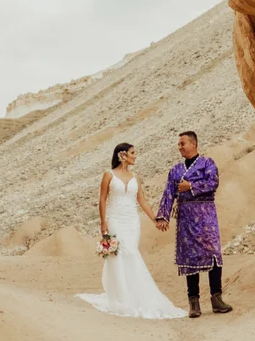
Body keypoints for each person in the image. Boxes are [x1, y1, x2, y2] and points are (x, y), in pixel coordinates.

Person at [76, 143, 187, 319]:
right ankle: (122, 296)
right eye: (133, 153)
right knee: (121, 253)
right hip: (115, 219)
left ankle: (134, 293)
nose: (136, 156)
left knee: (131, 252)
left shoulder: (135, 177)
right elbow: (102, 199)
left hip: (132, 221)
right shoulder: (108, 175)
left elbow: (142, 201)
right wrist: (103, 222)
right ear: (123, 156)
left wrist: (156, 219)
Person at [155, 130, 232, 318]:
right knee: (190, 258)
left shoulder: (208, 164)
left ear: (193, 144)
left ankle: (216, 299)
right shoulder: (175, 170)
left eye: (183, 143)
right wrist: (162, 216)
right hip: (186, 218)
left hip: (206, 216)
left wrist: (191, 186)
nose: (180, 147)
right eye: (178, 144)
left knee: (213, 253)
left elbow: (213, 183)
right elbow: (168, 193)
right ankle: (194, 303)